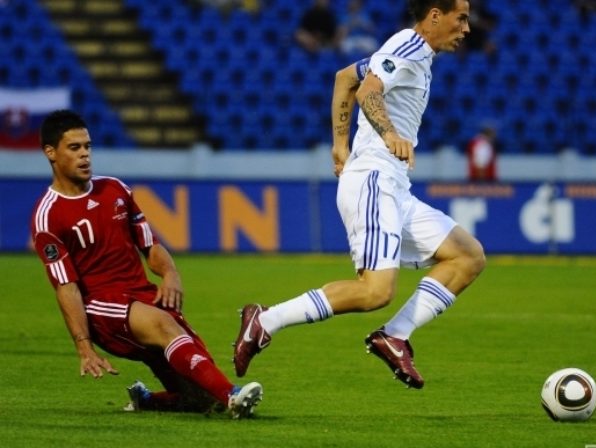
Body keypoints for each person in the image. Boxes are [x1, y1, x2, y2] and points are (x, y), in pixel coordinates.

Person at [234, 0, 485, 389]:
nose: (467, 28)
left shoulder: (414, 54)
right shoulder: (408, 45)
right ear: (436, 15)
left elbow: (344, 78)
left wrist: (339, 144)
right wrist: (389, 134)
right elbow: (368, 90)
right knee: (374, 292)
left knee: (467, 256)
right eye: (461, 18)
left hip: (393, 186)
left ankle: (394, 336)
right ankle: (265, 320)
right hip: (374, 180)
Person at [31, 110, 263, 417]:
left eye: (87, 146)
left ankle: (147, 399)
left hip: (142, 295)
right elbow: (66, 287)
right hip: (101, 305)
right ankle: (233, 396)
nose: (85, 154)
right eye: (74, 147)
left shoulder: (115, 189)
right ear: (51, 152)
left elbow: (149, 245)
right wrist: (84, 345)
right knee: (165, 327)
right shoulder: (48, 216)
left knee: (202, 397)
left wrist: (170, 274)